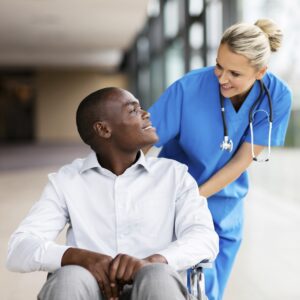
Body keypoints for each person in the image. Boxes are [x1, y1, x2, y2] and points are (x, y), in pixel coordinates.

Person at [6, 87, 219, 300]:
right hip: (89, 289)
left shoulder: (174, 175)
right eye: (133, 110)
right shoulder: (67, 180)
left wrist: (154, 261)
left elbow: (204, 238)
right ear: (104, 129)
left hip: (155, 289)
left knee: (156, 275)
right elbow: (19, 249)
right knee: (69, 277)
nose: (146, 114)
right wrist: (78, 257)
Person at [148, 19, 292, 300]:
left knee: (209, 291)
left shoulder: (277, 96)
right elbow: (141, 143)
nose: (222, 78)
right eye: (218, 66)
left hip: (224, 203)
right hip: (172, 199)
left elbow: (241, 160)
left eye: (234, 73)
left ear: (260, 72)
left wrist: (196, 197)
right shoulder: (188, 89)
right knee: (164, 284)